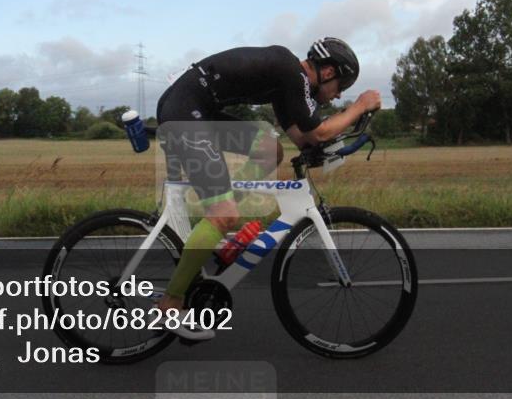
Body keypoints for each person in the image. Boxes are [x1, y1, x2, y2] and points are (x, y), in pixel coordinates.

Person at [154, 37, 382, 339]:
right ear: (328, 72)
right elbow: (319, 129)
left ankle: (220, 218)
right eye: (340, 87)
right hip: (185, 110)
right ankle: (170, 304)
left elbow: (305, 138)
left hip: (196, 108)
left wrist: (331, 146)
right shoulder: (291, 71)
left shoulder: (286, 82)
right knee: (223, 214)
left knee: (268, 149)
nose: (337, 95)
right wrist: (359, 106)